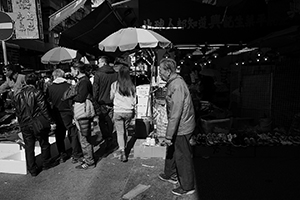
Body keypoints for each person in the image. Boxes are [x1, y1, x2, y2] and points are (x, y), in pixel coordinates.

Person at [157, 58, 196, 196]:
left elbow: (176, 112)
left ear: (168, 71)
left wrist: (168, 135)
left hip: (182, 126)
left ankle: (187, 186)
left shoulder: (177, 84)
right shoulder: (174, 82)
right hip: (180, 124)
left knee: (182, 156)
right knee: (173, 150)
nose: (159, 73)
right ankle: (170, 173)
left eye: (160, 70)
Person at [13, 73, 57, 176]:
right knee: (44, 143)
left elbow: (18, 112)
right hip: (37, 122)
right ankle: (46, 163)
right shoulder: (37, 92)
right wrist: (51, 121)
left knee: (29, 146)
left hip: (24, 123)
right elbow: (44, 109)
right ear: (36, 82)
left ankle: (32, 169)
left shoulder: (18, 95)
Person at [46, 69, 83, 164]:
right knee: (72, 133)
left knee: (59, 135)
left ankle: (62, 154)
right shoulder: (69, 86)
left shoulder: (50, 88)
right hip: (68, 112)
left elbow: (48, 102)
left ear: (54, 76)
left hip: (56, 113)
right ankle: (76, 154)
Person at [70, 61, 95, 170]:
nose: (71, 72)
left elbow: (81, 97)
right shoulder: (83, 81)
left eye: (72, 70)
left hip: (83, 113)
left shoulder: (84, 82)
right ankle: (87, 158)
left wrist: (71, 96)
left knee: (85, 138)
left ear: (77, 70)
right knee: (84, 137)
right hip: (82, 112)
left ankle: (89, 162)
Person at [110, 64, 136, 162]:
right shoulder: (131, 85)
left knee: (120, 132)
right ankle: (124, 146)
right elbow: (134, 101)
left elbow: (111, 97)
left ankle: (122, 150)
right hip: (128, 111)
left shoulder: (114, 84)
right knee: (124, 130)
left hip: (118, 111)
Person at [93, 56, 118, 151]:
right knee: (111, 122)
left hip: (101, 102)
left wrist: (94, 101)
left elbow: (95, 89)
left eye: (98, 62)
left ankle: (108, 139)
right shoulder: (115, 74)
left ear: (103, 63)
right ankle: (111, 138)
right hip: (113, 101)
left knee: (103, 122)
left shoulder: (98, 74)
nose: (97, 64)